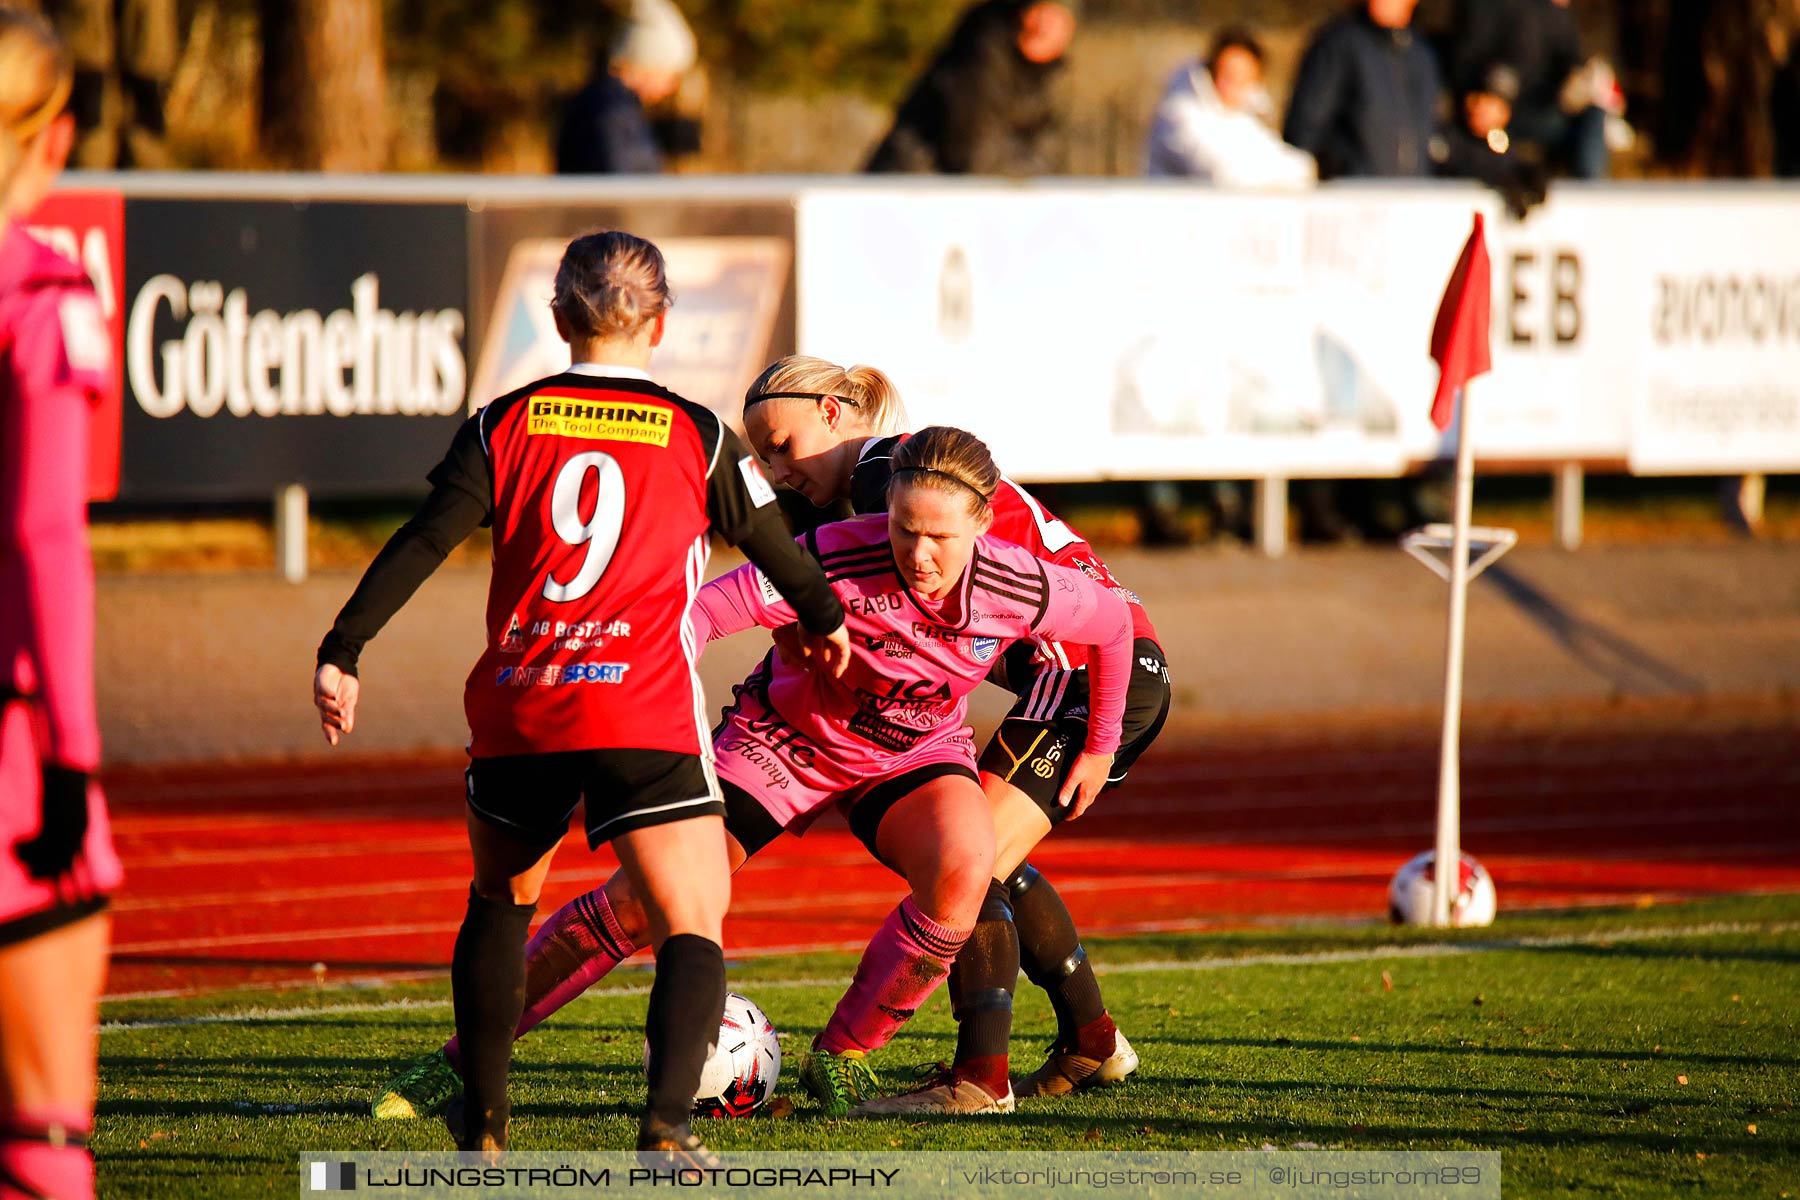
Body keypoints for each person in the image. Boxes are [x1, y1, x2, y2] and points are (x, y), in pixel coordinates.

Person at [371, 362, 1167, 1121]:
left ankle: (867, 1060)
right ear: (881, 511)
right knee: (644, 902)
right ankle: (462, 1060)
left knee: (971, 864)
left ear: (983, 528)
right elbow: (703, 614)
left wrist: (1099, 746)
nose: (918, 555)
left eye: (783, 446)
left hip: (921, 746)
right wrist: (653, 709)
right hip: (786, 743)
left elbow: (1108, 626)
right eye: (901, 530)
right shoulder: (835, 545)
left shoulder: (995, 565)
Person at [312, 229, 849, 1162]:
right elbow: (778, 553)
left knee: (499, 903)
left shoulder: (502, 423)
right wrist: (826, 619)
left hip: (523, 701)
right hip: (638, 710)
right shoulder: (696, 433)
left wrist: (343, 647)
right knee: (691, 917)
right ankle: (666, 1132)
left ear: (559, 318)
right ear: (663, 323)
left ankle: (481, 1131)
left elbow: (423, 539)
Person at [0, 12, 122, 1200]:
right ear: (58, 135)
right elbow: (44, 537)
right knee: (40, 1146)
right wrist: (72, 763)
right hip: (12, 743)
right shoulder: (41, 289)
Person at [866, 1, 1076, 175]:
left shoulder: (1049, 77)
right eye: (1038, 13)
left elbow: (1049, 150)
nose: (1042, 27)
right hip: (909, 195)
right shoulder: (984, 51)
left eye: (1055, 20)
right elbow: (973, 155)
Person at [1441, 0, 1612, 180]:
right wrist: (1495, 96)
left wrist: (1582, 80)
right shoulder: (1490, 7)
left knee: (1594, 114)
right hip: (1492, 109)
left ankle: (1591, 196)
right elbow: (1468, 62)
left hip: (1539, 109)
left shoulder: (1555, 12)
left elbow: (1570, 58)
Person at [1282, 0, 1443, 181]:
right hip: (1352, 193)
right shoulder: (1339, 43)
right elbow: (1305, 125)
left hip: (1413, 192)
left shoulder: (1422, 54)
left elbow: (1432, 128)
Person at [1145, 26, 1317, 186]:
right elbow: (1223, 174)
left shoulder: (1244, 120)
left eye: (1241, 78)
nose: (1230, 84)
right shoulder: (1179, 116)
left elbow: (1301, 168)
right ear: (1210, 71)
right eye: (1226, 74)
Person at [555, 0, 696, 175]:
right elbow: (627, 189)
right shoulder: (613, 112)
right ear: (649, 64)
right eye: (671, 75)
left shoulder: (611, 106)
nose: (672, 87)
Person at [1435, 63, 1550, 218]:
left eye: (1489, 102)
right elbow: (1457, 169)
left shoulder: (1503, 144)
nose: (1478, 106)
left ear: (1505, 112)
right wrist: (1498, 182)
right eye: (1475, 98)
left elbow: (1506, 163)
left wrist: (1528, 173)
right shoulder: (1450, 139)